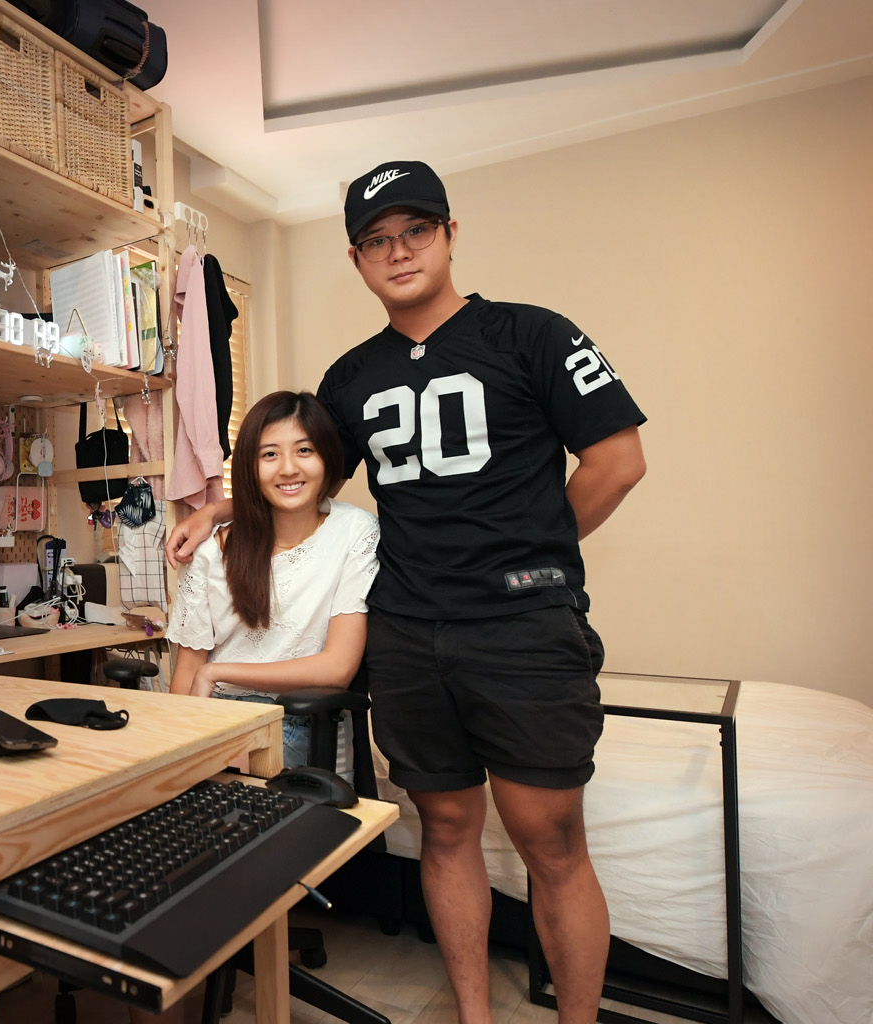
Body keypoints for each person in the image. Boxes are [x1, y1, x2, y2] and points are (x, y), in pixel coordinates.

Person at [167, 160, 647, 1024]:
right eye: (377, 241)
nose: (399, 251)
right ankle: (474, 1016)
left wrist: (532, 551)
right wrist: (221, 509)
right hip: (411, 638)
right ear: (357, 261)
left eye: (416, 231)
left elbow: (619, 461)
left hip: (521, 629)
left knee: (552, 841)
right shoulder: (351, 379)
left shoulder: (532, 335)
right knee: (447, 830)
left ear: (451, 235)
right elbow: (303, 475)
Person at [166, 390, 380, 778]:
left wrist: (219, 672)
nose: (287, 469)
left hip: (299, 719)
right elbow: (188, 671)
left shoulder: (354, 530)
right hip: (215, 714)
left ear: (327, 457)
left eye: (304, 450)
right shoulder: (211, 549)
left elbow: (337, 668)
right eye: (269, 454)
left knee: (218, 784)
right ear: (251, 466)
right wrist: (177, 744)